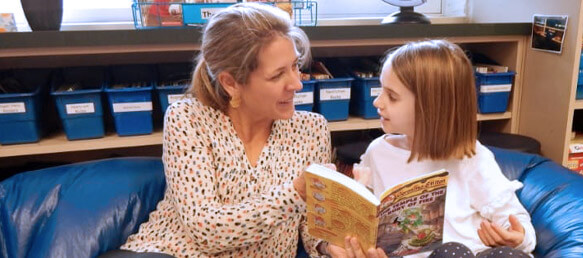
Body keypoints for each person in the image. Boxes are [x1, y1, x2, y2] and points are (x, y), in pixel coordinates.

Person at [106, 3, 330, 257]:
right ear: (230, 83)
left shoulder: (312, 130)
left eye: (295, 66)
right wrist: (295, 194)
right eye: (278, 75)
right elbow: (206, 231)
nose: (297, 83)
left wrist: (329, 246)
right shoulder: (187, 120)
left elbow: (314, 225)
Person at [320, 40, 536, 258]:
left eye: (392, 96)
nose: (378, 102)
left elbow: (514, 219)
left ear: (430, 108)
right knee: (451, 253)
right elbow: (364, 223)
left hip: (474, 252)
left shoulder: (471, 156)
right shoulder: (378, 152)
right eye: (381, 90)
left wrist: (518, 238)